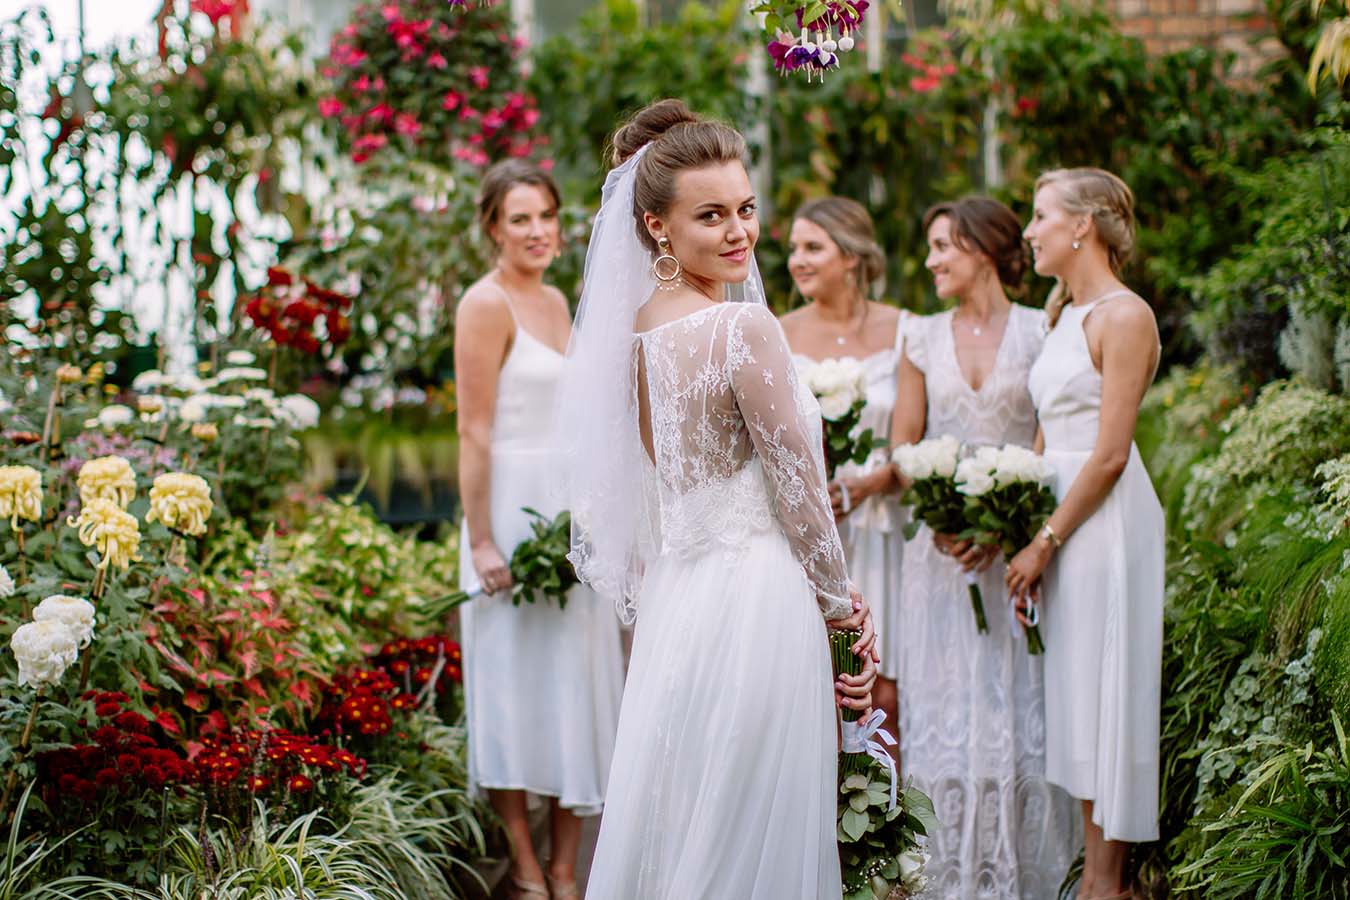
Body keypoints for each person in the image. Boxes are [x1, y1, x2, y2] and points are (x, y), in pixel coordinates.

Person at [555, 99, 877, 900]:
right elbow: (798, 488)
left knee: (693, 818)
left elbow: (665, 481)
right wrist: (842, 610)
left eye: (745, 208)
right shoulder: (743, 331)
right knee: (755, 832)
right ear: (657, 226)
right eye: (711, 216)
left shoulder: (628, 336)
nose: (738, 232)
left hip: (683, 602)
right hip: (761, 599)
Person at [892, 197, 1078, 899]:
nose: (933, 260)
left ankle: (1029, 874)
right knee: (945, 713)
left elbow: (1046, 434)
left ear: (983, 247)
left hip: (1016, 554)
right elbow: (904, 444)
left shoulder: (1043, 331)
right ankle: (946, 879)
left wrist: (1010, 524)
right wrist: (939, 511)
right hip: (939, 561)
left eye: (944, 246)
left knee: (1017, 708)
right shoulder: (918, 336)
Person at [454, 159, 625, 900]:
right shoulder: (483, 305)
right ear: (493, 227)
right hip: (508, 513)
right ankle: (526, 871)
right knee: (515, 695)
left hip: (569, 515)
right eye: (519, 218)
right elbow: (473, 430)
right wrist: (483, 539)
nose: (537, 231)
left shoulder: (559, 300)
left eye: (546, 216)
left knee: (574, 692)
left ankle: (566, 870)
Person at [1007, 168, 1163, 900]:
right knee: (1075, 692)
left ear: (1082, 226)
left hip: (1101, 525)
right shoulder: (1063, 314)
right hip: (1060, 524)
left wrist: (1047, 539)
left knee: (1108, 689)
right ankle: (1098, 879)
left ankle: (1110, 885)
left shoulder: (1124, 317)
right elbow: (1046, 439)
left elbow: (1109, 453)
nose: (1030, 231)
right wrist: (1017, 531)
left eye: (1040, 217)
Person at [779, 196, 906, 734]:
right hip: (812, 530)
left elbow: (916, 442)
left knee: (889, 692)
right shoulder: (778, 331)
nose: (797, 260)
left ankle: (887, 812)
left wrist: (870, 482)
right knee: (823, 686)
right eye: (793, 249)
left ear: (851, 256)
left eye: (813, 247)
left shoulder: (906, 330)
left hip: (884, 531)